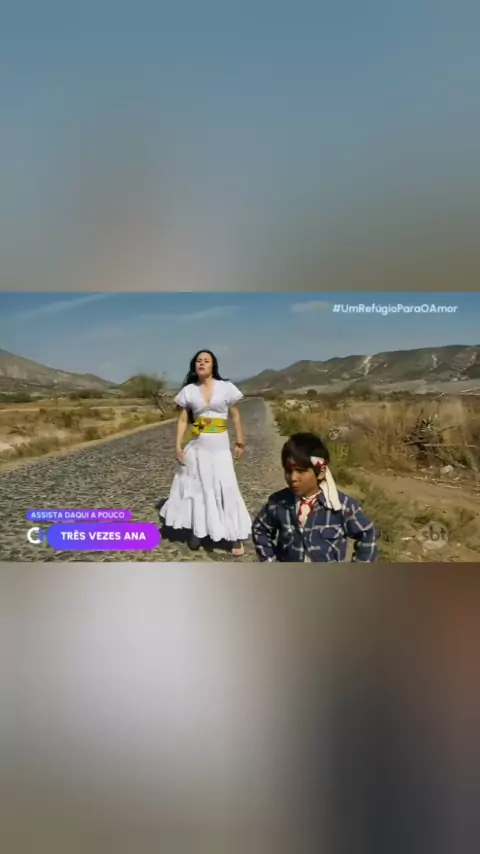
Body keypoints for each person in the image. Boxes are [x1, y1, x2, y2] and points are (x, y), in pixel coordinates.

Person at [160, 350, 252, 556]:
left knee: (226, 487)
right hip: (197, 446)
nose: (202, 363)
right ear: (194, 366)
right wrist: (178, 446)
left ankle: (234, 535)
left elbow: (235, 415)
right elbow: (183, 420)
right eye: (198, 361)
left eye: (206, 360)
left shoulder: (226, 387)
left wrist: (240, 441)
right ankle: (198, 530)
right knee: (198, 488)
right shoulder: (189, 391)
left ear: (213, 365)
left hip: (220, 447)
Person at [252, 432, 377, 562]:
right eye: (289, 471)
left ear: (321, 473)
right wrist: (270, 561)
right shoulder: (279, 503)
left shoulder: (342, 506)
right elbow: (260, 529)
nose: (293, 478)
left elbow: (367, 534)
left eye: (301, 471)